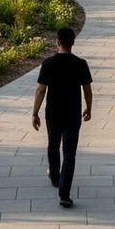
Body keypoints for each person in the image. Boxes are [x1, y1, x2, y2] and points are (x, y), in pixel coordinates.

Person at [32, 26, 93, 208]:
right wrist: (89, 108)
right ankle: (64, 193)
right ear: (73, 42)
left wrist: (34, 113)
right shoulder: (80, 64)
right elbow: (87, 90)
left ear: (57, 42)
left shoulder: (48, 64)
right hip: (73, 114)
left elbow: (41, 90)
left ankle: (55, 176)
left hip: (53, 113)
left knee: (53, 144)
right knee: (69, 153)